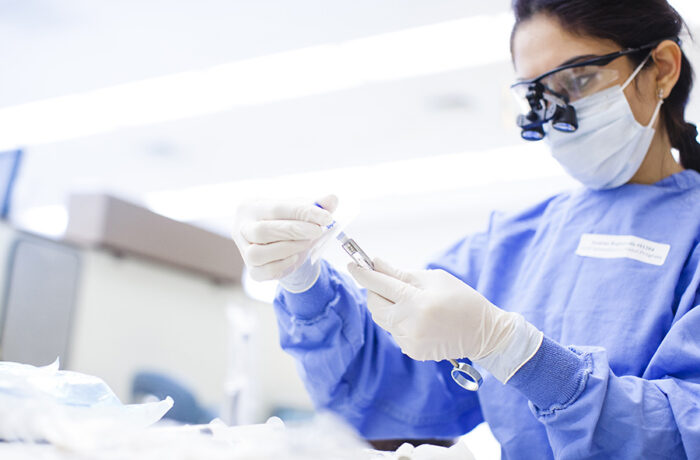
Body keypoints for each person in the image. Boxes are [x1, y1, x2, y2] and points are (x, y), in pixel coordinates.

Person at [232, 1, 700, 458]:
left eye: (578, 80)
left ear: (661, 67)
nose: (559, 113)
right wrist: (302, 279)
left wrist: (515, 351)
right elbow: (382, 392)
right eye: (539, 95)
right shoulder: (511, 244)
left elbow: (685, 430)